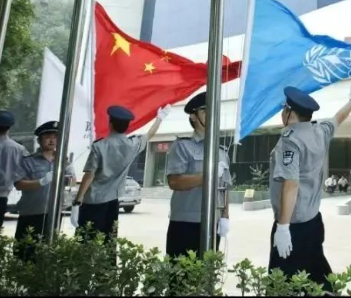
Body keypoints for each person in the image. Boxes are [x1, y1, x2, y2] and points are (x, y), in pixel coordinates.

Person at [269, 86, 351, 292]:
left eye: (284, 109)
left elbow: (291, 184)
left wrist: (282, 227)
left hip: (292, 227)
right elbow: (338, 117)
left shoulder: (290, 141)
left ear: (290, 112)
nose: (282, 113)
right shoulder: (320, 131)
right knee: (317, 279)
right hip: (313, 223)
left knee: (281, 285)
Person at [71, 104, 166, 243]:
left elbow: (89, 176)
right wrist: (160, 118)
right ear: (127, 127)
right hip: (113, 202)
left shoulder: (99, 146)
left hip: (93, 201)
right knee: (108, 241)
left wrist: (78, 200)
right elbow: (149, 135)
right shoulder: (132, 145)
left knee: (86, 241)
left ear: (110, 124)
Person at [164, 92, 232, 260]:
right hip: (185, 224)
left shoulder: (221, 151)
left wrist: (225, 216)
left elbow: (224, 188)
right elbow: (174, 182)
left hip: (213, 222)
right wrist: (208, 176)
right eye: (205, 110)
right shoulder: (182, 146)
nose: (211, 114)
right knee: (181, 273)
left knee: (207, 272)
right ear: (193, 116)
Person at [13, 121, 74, 260]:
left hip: (54, 212)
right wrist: (40, 182)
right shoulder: (28, 161)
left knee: (49, 252)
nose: (52, 140)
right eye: (47, 136)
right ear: (39, 140)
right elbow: (19, 184)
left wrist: (67, 174)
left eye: (55, 136)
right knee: (25, 253)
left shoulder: (62, 161)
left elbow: (72, 181)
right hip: (32, 213)